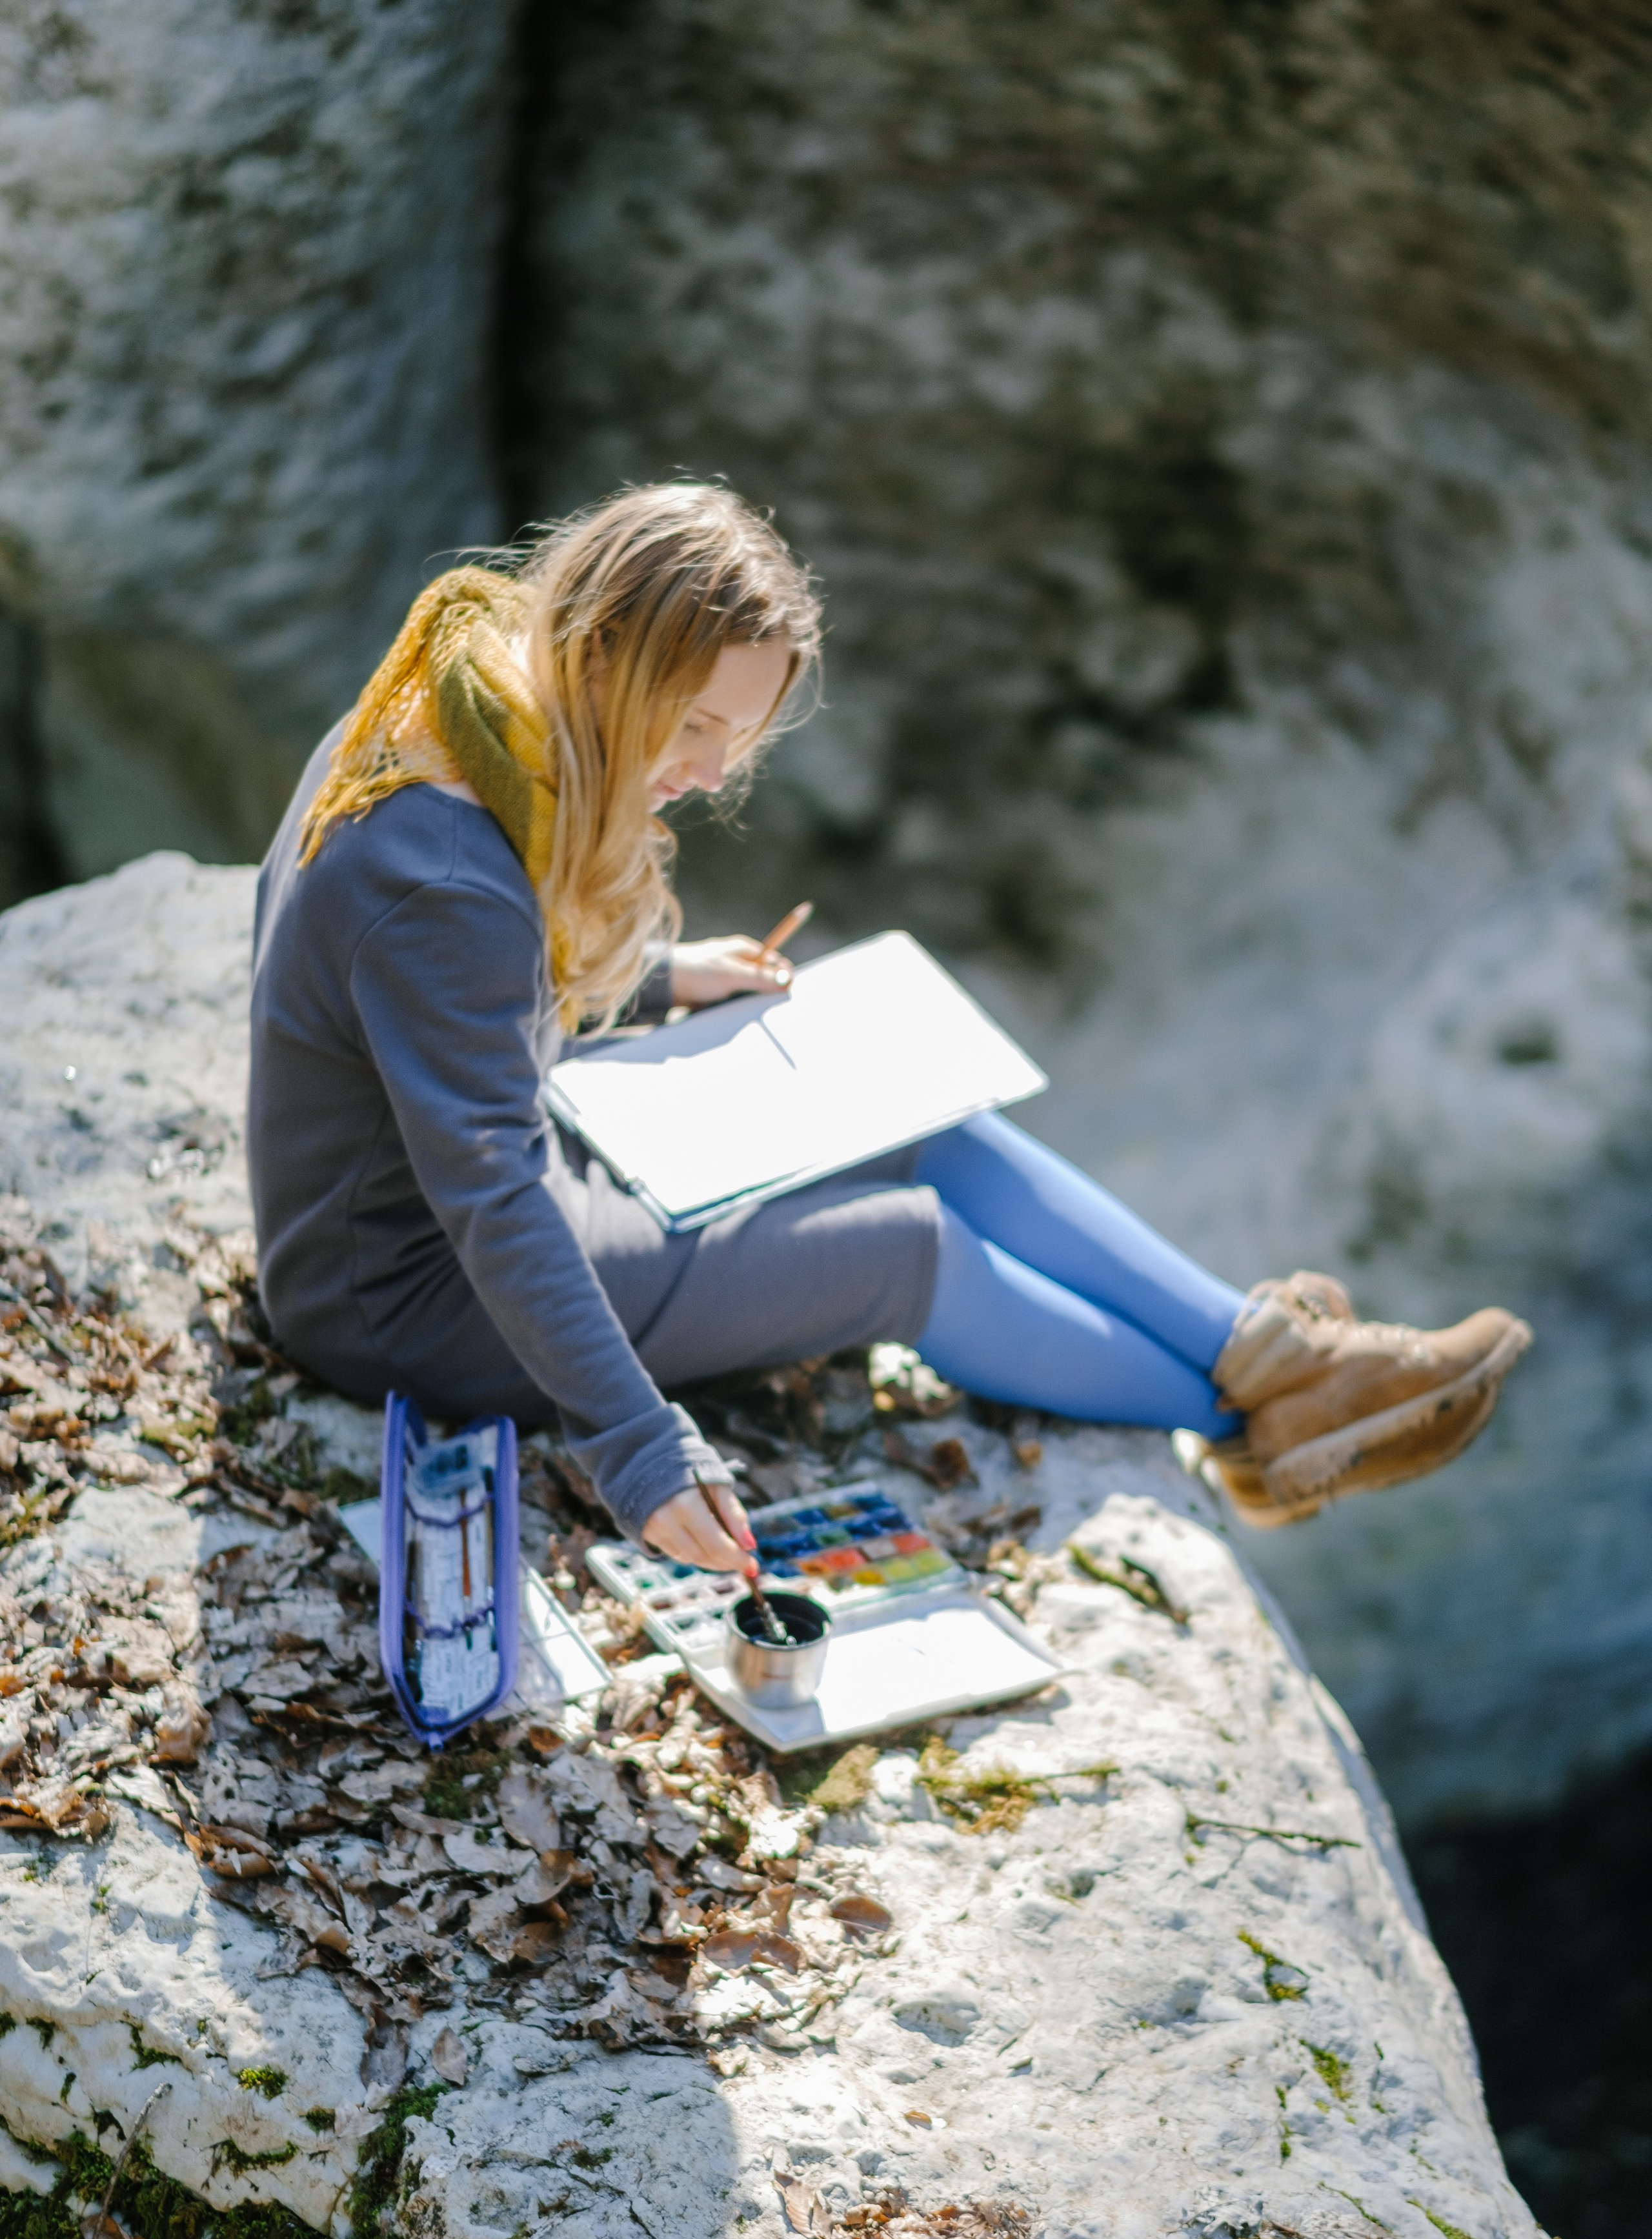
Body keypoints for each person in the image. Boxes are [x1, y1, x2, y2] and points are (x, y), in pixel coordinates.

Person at [248, 482, 1530, 1572]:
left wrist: (652, 983)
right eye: (691, 725)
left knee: (921, 1116)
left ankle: (1267, 1352)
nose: (701, 774)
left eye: (733, 740)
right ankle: (1268, 1426)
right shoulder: (443, 873)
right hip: (406, 1296)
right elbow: (489, 1190)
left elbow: (431, 1015)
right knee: (904, 1246)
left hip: (465, 1192)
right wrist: (640, 1453)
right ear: (603, 654)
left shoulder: (453, 701)